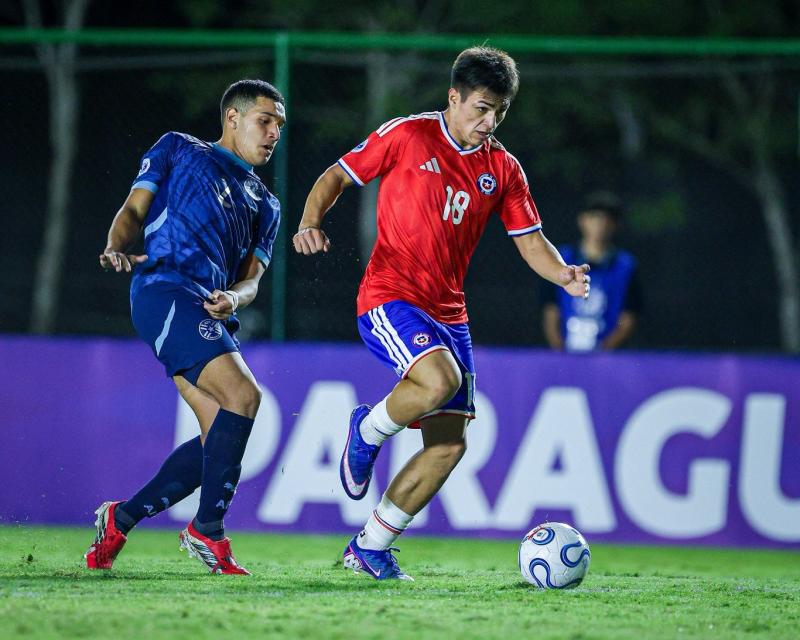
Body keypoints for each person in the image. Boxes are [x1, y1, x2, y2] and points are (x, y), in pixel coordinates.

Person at [293, 47, 590, 581]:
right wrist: (311, 219)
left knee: (450, 445)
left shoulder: (502, 168)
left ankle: (371, 546)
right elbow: (337, 176)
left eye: (498, 110)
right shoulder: (407, 136)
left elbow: (531, 242)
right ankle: (368, 429)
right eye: (480, 108)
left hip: (449, 315)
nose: (489, 122)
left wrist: (563, 273)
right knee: (437, 381)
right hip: (389, 296)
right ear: (453, 98)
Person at [85, 79, 285, 575]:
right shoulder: (178, 148)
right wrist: (116, 244)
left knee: (219, 434)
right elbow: (134, 209)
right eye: (265, 121)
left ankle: (120, 518)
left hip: (209, 309)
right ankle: (207, 532)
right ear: (232, 119)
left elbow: (252, 282)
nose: (274, 133)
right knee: (245, 396)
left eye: (280, 125)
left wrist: (232, 297)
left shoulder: (267, 204)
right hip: (165, 289)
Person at [542, 192, 641, 352]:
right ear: (582, 220)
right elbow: (550, 309)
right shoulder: (561, 258)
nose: (600, 224)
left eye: (606, 219)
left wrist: (603, 351)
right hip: (565, 351)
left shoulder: (626, 266)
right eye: (595, 217)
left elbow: (628, 317)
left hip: (606, 355)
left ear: (615, 225)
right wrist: (559, 351)